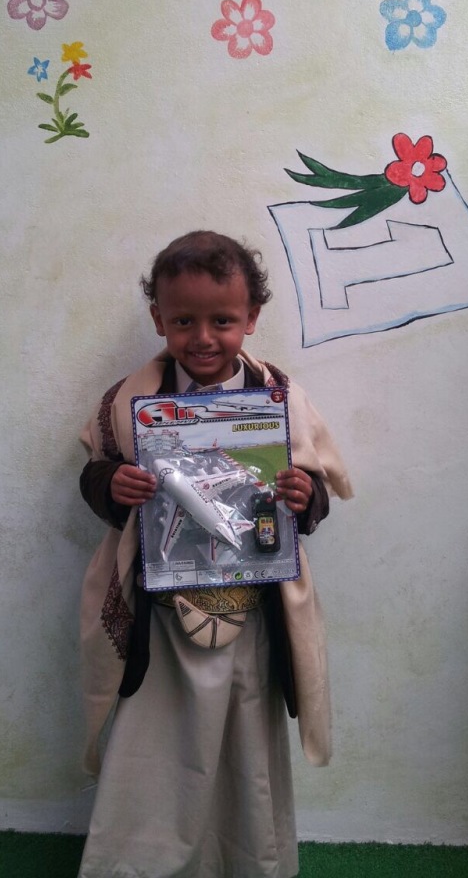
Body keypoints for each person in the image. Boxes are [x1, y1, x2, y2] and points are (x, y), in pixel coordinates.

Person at [77, 231, 352, 878]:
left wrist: (303, 495)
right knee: (154, 744)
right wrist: (113, 487)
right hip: (163, 615)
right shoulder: (126, 402)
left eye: (222, 321)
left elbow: (314, 491)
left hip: (251, 614)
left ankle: (246, 862)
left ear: (251, 317)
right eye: (184, 321)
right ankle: (137, 864)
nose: (203, 338)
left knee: (245, 742)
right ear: (159, 320)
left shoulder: (283, 399)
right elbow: (95, 471)